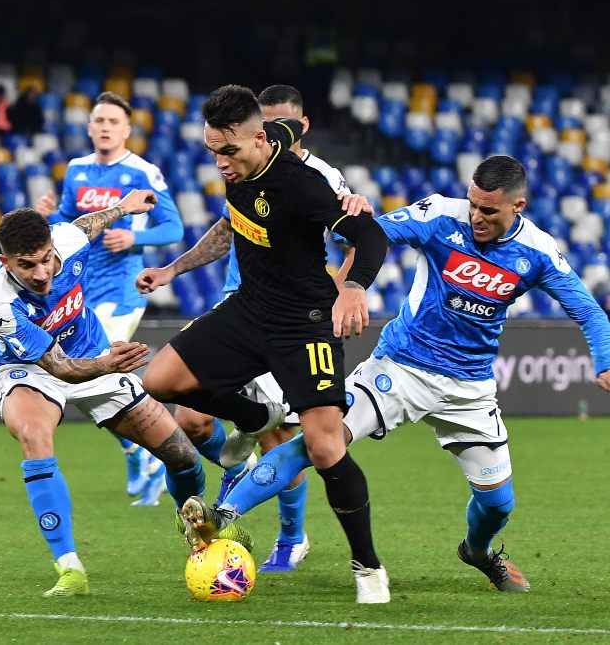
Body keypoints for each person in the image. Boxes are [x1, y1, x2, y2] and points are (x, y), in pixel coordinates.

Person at [212, 155, 610, 593]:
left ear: (519, 205)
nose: (476, 216)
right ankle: (220, 516)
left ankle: (477, 552)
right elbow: (373, 234)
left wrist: (605, 360)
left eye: (489, 210)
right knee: (318, 439)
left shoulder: (537, 250)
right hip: (401, 368)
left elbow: (587, 309)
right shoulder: (440, 214)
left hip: (469, 389)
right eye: (473, 204)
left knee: (498, 504)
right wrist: (352, 257)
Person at [136, 84, 391, 603]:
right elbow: (292, 130)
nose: (220, 162)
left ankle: (368, 567)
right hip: (249, 309)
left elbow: (371, 236)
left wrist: (354, 288)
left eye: (228, 151)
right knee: (157, 382)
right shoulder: (261, 139)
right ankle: (254, 418)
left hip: (305, 323)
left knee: (324, 446)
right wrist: (173, 269)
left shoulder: (302, 186)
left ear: (258, 139)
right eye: (211, 151)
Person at [0, 197, 248, 597]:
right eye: (26, 266)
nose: (41, 274)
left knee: (182, 457)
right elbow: (58, 368)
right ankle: (70, 568)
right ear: (6, 263)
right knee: (35, 436)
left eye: (45, 259)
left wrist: (124, 207)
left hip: (92, 354)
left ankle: (190, 520)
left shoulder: (67, 239)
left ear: (53, 245)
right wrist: (109, 364)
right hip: (30, 370)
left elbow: (89, 223)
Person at [34, 91, 183, 506]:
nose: (104, 127)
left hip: (121, 292)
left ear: (126, 130)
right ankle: (140, 452)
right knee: (85, 378)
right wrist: (48, 218)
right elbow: (68, 224)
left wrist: (136, 236)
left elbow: (174, 228)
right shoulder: (77, 170)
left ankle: (151, 456)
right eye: (98, 121)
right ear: (88, 127)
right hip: (79, 292)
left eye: (113, 122)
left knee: (94, 373)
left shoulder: (143, 172)